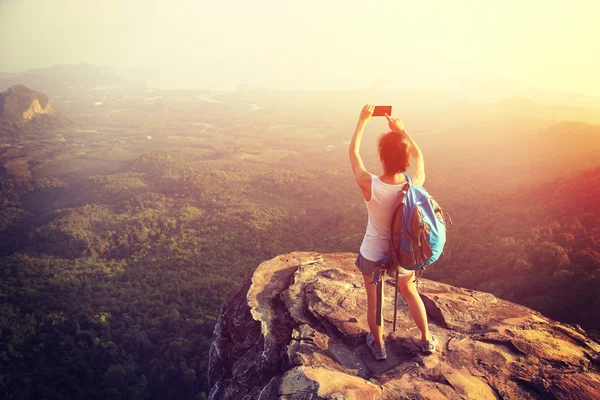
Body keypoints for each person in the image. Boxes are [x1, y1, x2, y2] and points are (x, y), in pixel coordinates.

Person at [348, 104, 438, 360]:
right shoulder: (414, 181)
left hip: (373, 254)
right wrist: (402, 130)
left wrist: (362, 121)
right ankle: (426, 339)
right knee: (410, 291)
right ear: (405, 159)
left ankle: (379, 346)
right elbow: (420, 157)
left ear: (382, 158)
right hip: (404, 252)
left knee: (375, 302)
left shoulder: (370, 185)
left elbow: (353, 153)